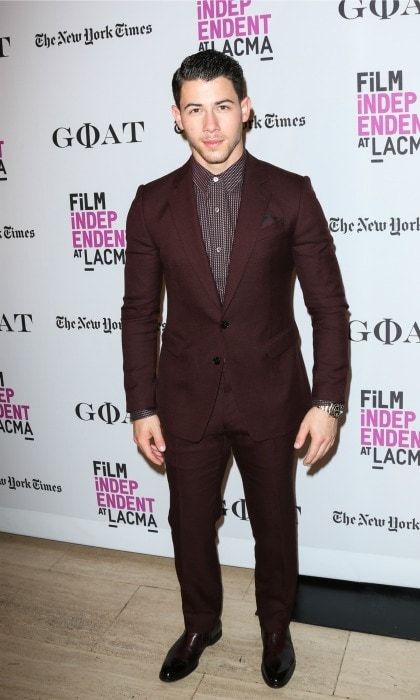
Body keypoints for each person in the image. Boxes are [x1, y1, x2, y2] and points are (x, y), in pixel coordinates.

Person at [121, 49, 349, 689]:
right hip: (186, 396)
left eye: (223, 106)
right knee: (188, 521)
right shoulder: (150, 204)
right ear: (177, 118)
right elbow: (139, 312)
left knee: (275, 519)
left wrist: (328, 402)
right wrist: (142, 406)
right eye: (196, 109)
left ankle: (275, 630)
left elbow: (328, 307)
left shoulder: (291, 192)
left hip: (274, 395)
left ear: (246, 108)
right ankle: (201, 623)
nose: (212, 124)